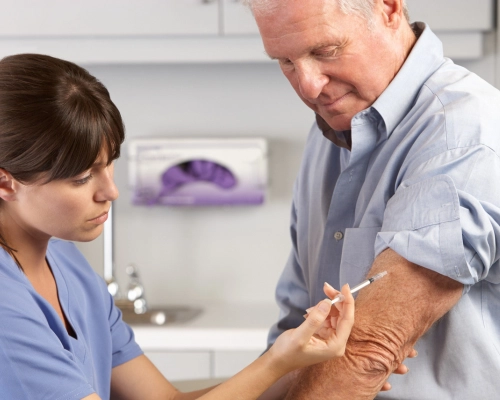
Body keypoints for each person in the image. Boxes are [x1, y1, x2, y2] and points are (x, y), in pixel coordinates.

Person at [0, 53, 358, 400]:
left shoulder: (66, 262)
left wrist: (303, 366)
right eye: (81, 178)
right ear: (6, 183)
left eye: (109, 164)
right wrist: (277, 361)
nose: (111, 190)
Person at [243, 0, 500, 398]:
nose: (308, 86)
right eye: (286, 62)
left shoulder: (461, 132)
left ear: (389, 8)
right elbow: (295, 336)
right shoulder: (328, 134)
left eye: (325, 51)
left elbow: (367, 352)